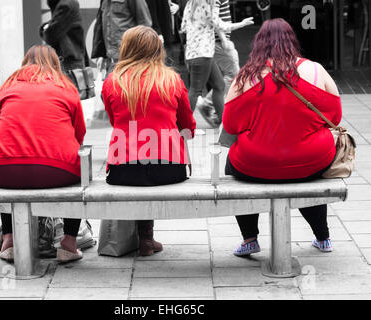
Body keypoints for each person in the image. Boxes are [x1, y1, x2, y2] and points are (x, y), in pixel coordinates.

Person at [222, 18, 342, 256]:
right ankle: (323, 237)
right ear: (292, 41)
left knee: (234, 166)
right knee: (310, 177)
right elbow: (335, 117)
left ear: (259, 44)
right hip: (310, 159)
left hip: (255, 163)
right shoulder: (316, 69)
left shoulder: (245, 76)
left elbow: (230, 125)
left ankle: (249, 238)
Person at [0, 45, 86, 263]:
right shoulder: (65, 86)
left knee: (9, 178)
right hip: (57, 169)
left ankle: (8, 241)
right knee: (81, 168)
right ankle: (69, 243)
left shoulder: (8, 86)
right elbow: (79, 134)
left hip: (1, 168)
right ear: (56, 64)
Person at [101, 26, 196, 256]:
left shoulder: (113, 81)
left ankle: (145, 239)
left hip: (123, 169)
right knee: (150, 169)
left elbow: (115, 121)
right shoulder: (172, 80)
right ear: (158, 50)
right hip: (169, 169)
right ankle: (146, 239)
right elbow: (188, 128)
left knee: (139, 173)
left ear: (126, 48)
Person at [180, 0, 253, 125]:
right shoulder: (210, 3)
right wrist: (242, 23)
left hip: (195, 52)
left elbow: (183, 27)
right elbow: (220, 25)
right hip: (203, 52)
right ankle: (183, 126)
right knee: (195, 90)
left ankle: (224, 123)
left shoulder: (190, 3)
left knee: (219, 84)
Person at [93, 0, 152, 73]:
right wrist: (101, 54)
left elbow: (145, 26)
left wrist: (142, 56)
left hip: (130, 60)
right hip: (111, 61)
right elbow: (102, 26)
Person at [40, 0, 89, 83]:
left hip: (68, 61)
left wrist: (45, 28)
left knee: (67, 93)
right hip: (70, 60)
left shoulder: (66, 5)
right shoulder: (65, 4)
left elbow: (51, 34)